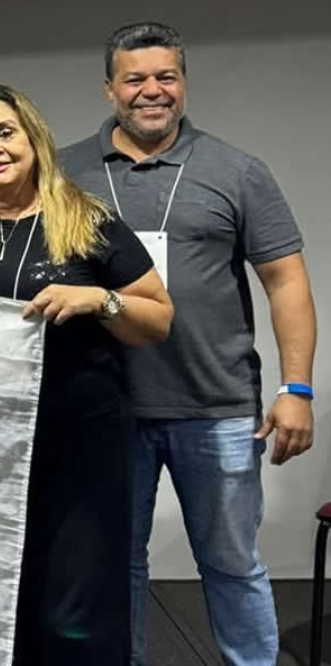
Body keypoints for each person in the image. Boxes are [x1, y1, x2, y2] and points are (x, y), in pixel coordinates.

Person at [58, 22, 316, 666]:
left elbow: (286, 281)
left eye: (165, 76)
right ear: (109, 88)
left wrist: (297, 388)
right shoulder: (64, 173)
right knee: (114, 567)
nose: (152, 91)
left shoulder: (237, 171)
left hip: (216, 407)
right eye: (135, 79)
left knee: (232, 564)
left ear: (183, 82)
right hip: (106, 409)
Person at [0, 84, 173, 665]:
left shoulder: (88, 221)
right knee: (0, 591)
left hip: (80, 446)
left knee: (75, 603)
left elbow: (159, 318)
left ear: (33, 138)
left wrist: (99, 300)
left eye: (4, 132)